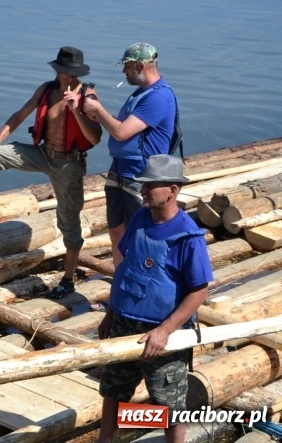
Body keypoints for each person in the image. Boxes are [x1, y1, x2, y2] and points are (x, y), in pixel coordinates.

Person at [96, 155, 212, 443]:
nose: (143, 190)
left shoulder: (188, 236)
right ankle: (105, 439)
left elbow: (200, 291)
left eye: (150, 186)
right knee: (113, 390)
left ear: (172, 190)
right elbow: (126, 269)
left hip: (161, 333)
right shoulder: (140, 218)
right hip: (123, 324)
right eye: (143, 184)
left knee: (168, 404)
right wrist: (110, 314)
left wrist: (164, 331)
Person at [0, 46, 102, 299]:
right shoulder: (46, 89)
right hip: (43, 154)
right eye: (65, 72)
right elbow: (19, 115)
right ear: (57, 70)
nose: (69, 78)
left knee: (69, 221)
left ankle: (68, 280)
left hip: (68, 164)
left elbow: (95, 138)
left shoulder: (88, 96)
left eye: (74, 74)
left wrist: (76, 109)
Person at [83, 43, 181, 263]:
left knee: (141, 236)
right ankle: (120, 280)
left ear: (141, 66)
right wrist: (94, 112)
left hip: (142, 176)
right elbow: (120, 126)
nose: (123, 71)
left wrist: (98, 110)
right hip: (119, 170)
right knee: (116, 231)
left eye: (127, 66)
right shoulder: (140, 94)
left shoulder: (158, 97)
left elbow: (120, 132)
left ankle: (144, 280)